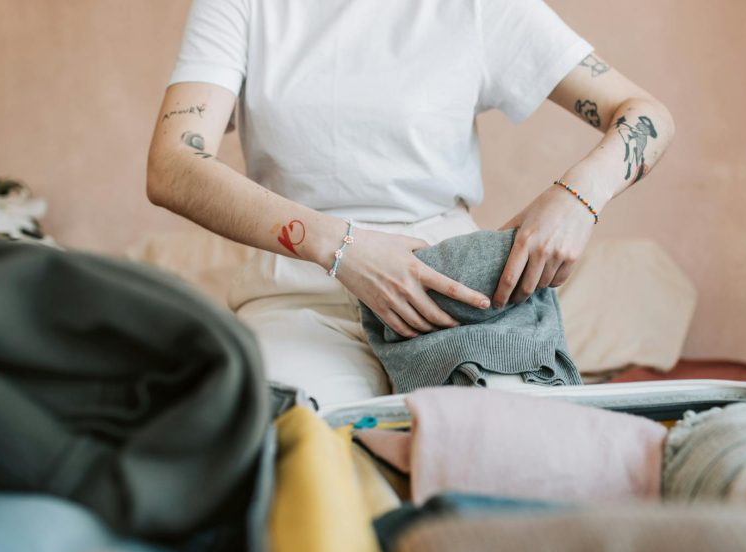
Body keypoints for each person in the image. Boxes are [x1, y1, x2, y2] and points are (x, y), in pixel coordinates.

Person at [147, 0, 675, 407]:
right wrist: (344, 248)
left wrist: (577, 198)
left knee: (514, 452)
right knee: (298, 456)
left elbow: (645, 114)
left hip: (454, 305)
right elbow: (174, 164)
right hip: (299, 303)